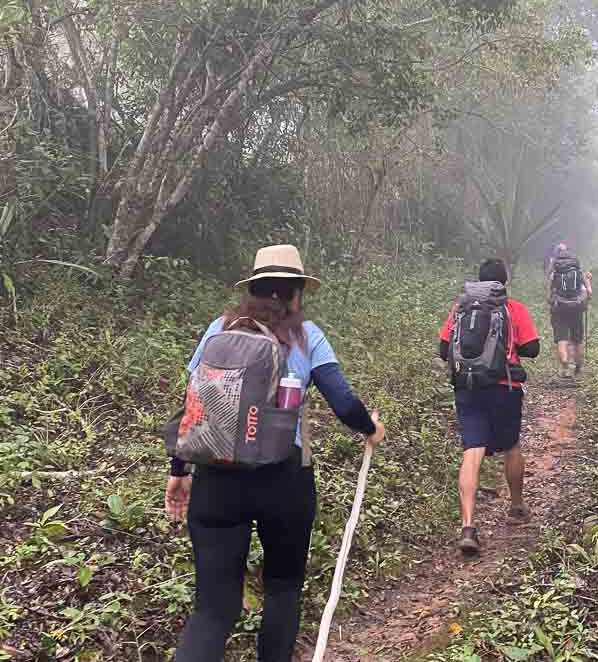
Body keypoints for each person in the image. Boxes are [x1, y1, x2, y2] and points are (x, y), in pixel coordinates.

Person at [164, 244, 386, 662]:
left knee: (213, 609)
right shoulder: (308, 337)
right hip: (284, 481)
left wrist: (180, 468)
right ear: (297, 293)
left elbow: (192, 402)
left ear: (252, 290)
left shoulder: (218, 329)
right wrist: (370, 428)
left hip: (216, 476)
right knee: (283, 588)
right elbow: (343, 402)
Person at [438, 258, 540, 555]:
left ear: (479, 280)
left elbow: (444, 350)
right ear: (503, 281)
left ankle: (468, 526)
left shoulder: (460, 307)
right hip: (505, 387)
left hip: (468, 388)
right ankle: (517, 505)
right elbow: (532, 348)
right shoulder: (513, 308)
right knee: (511, 446)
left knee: (472, 451)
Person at [548, 246, 592, 379]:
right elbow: (589, 293)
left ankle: (565, 367)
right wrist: (588, 286)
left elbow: (548, 296)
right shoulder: (579, 272)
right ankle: (578, 369)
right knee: (577, 340)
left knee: (562, 339)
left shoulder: (554, 274)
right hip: (577, 309)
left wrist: (553, 303)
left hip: (559, 310)